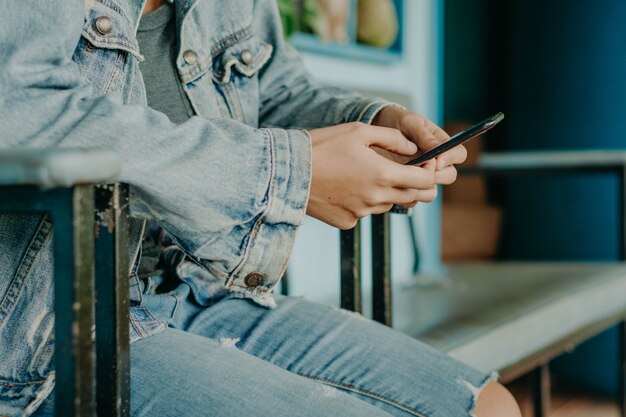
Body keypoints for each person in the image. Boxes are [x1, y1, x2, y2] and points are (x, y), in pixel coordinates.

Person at [0, 0, 521, 416]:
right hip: (55, 326)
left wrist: (375, 122)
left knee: (491, 407)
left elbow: (275, 90)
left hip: (196, 286)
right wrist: (288, 174)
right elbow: (20, 106)